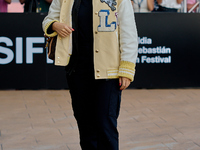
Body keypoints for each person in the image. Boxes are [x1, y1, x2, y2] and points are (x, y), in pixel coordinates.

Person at [42, 0, 138, 149]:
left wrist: (127, 68)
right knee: (85, 126)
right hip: (77, 71)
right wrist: (55, 25)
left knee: (105, 125)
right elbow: (48, 20)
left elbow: (128, 32)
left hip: (109, 72)